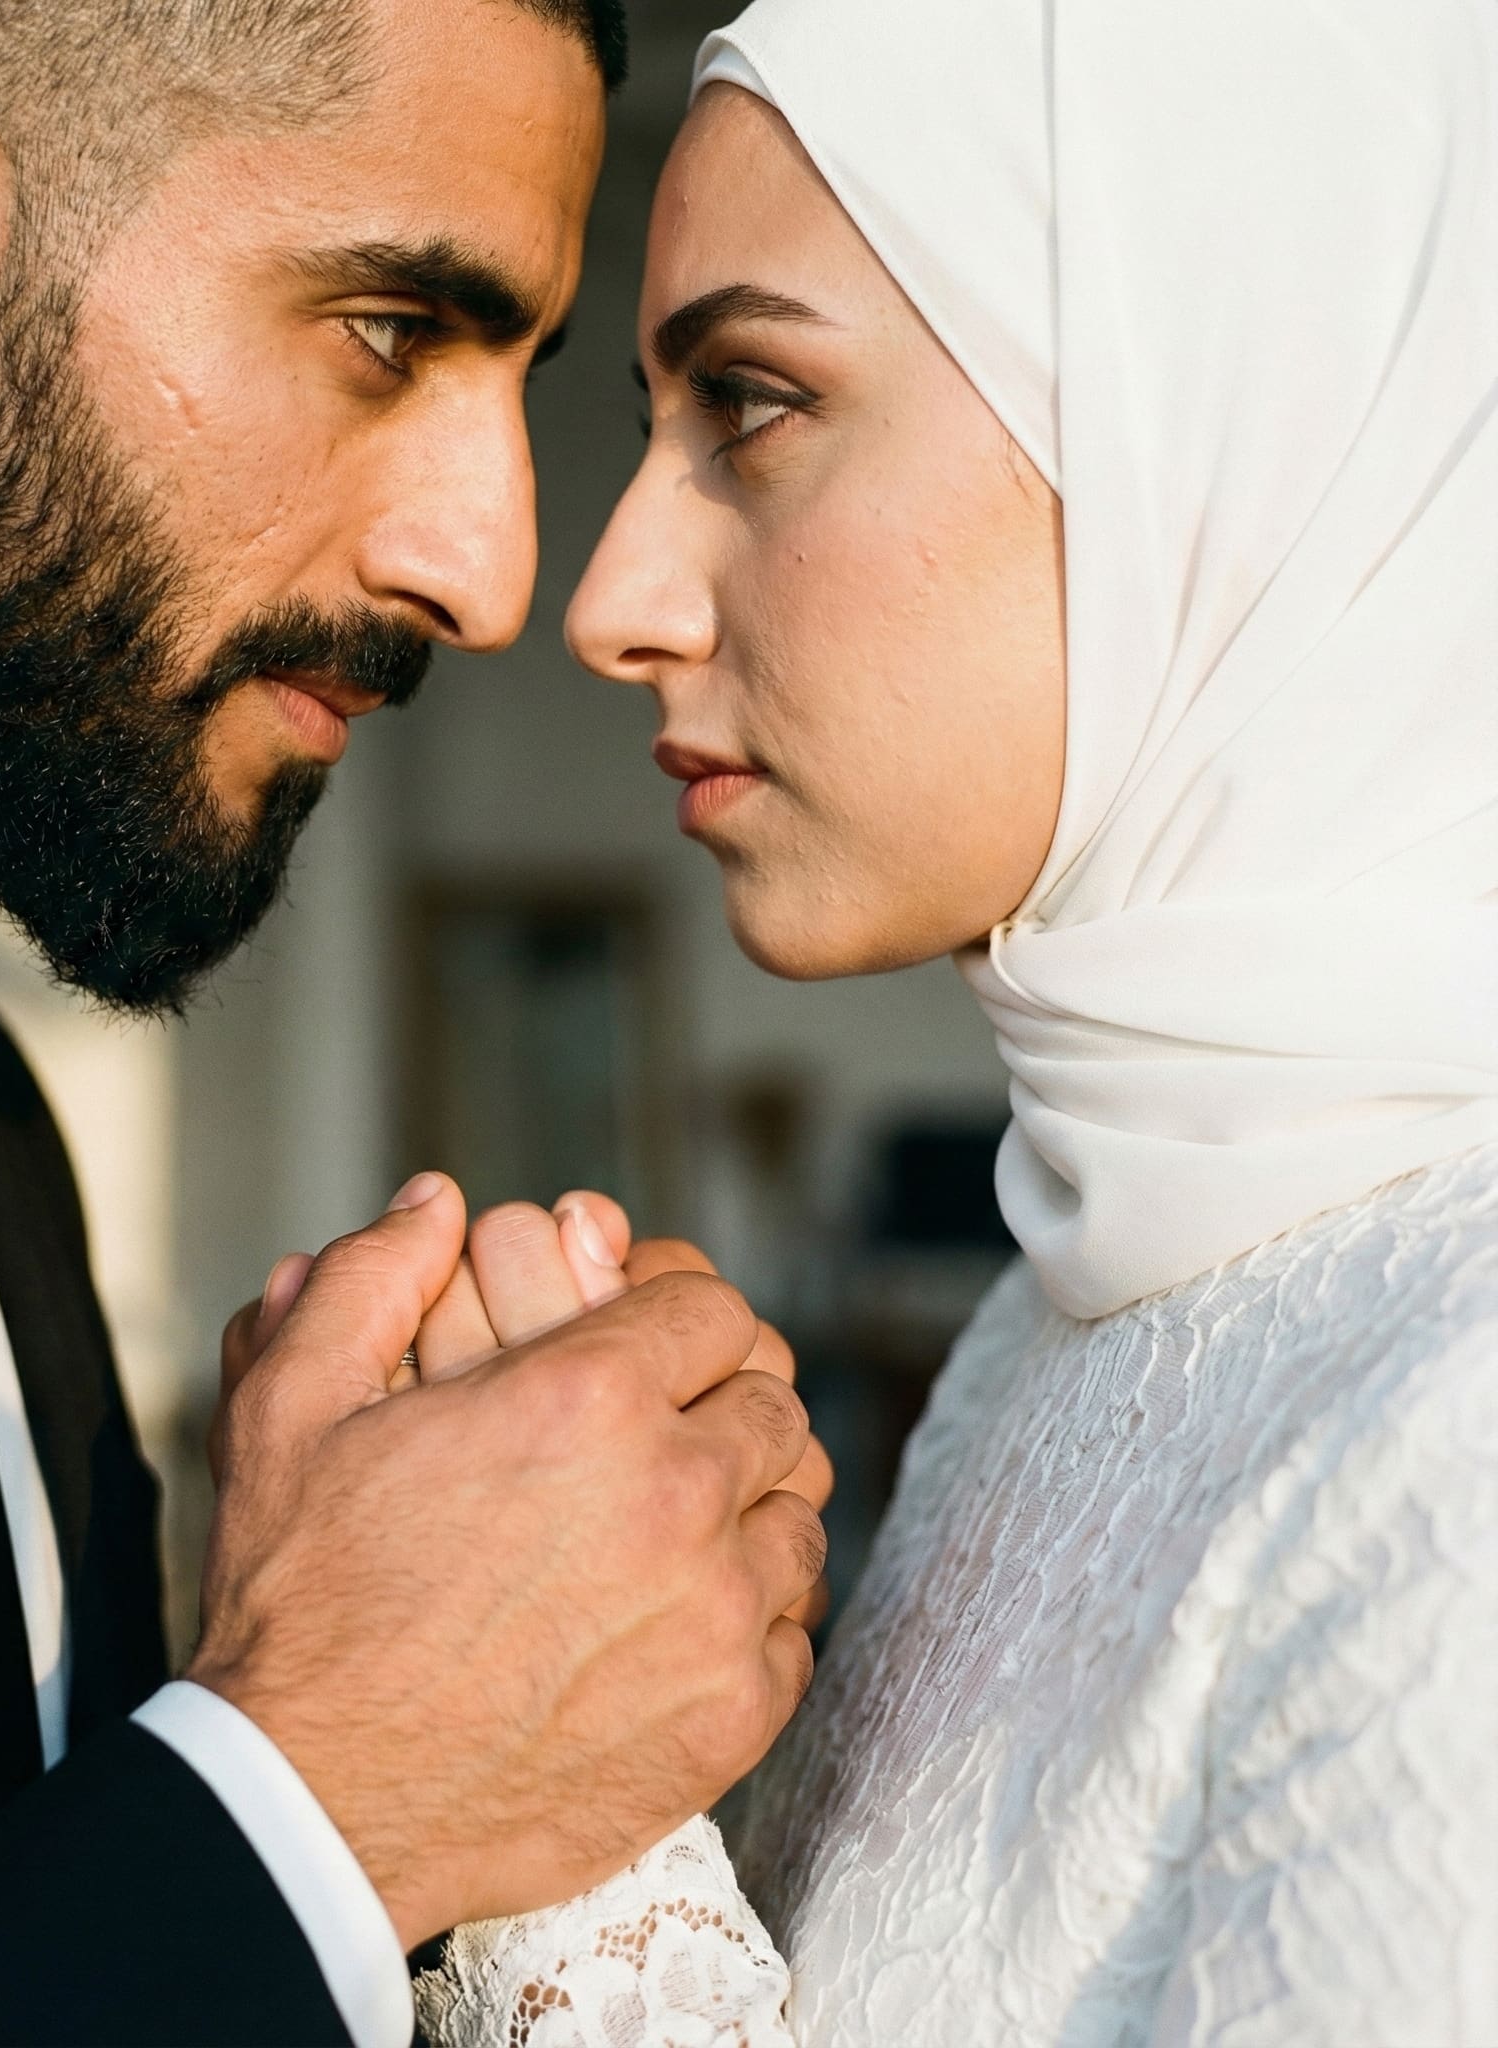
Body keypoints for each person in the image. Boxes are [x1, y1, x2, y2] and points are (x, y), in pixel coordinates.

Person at [0, 2, 836, 2041]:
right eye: (385, 328)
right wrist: (331, 1785)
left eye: (520, 382)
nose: (491, 565)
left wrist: (301, 1663)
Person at [413, 0, 1498, 2040]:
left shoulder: (1467, 1429)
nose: (607, 594)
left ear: (1208, 421)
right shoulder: (1066, 1298)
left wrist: (556, 1852)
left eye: (746, 400)